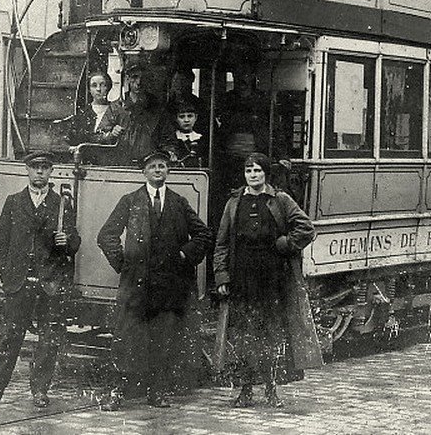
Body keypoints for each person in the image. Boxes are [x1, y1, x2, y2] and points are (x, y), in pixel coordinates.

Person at [96, 150, 214, 409]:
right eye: (152, 166)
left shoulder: (178, 202)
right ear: (144, 172)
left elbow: (204, 235)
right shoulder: (130, 201)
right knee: (127, 340)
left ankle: (157, 392)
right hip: (136, 287)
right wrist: (124, 265)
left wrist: (185, 254)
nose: (158, 170)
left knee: (163, 341)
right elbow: (106, 235)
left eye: (162, 166)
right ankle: (117, 393)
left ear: (168, 171)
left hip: (169, 287)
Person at [212, 153, 323, 409]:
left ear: (265, 174)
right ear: (244, 174)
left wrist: (287, 243)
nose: (253, 175)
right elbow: (221, 244)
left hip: (272, 277)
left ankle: (272, 390)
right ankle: (246, 390)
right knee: (243, 335)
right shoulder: (233, 202)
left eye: (258, 171)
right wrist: (222, 276)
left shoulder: (280, 200)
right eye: (249, 170)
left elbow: (306, 228)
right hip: (242, 277)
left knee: (271, 334)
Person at [0, 150, 80, 410]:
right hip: (19, 282)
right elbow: (2, 242)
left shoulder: (62, 204)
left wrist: (67, 242)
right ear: (27, 171)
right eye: (35, 168)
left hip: (49, 282)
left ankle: (40, 390)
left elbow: (75, 241)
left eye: (45, 168)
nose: (40, 172)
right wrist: (8, 275)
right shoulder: (14, 202)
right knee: (10, 337)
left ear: (51, 172)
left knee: (48, 339)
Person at [98, 61, 162, 166]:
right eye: (135, 77)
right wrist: (111, 134)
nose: (139, 82)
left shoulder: (156, 110)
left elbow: (168, 140)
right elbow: (99, 136)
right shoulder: (116, 107)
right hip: (122, 165)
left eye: (143, 78)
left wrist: (170, 152)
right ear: (127, 79)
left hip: (150, 165)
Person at [66, 71, 116, 163]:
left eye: (102, 85)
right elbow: (73, 139)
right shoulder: (83, 113)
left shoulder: (115, 111)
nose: (98, 89)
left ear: (108, 87)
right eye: (94, 85)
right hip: (86, 161)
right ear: (89, 89)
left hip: (108, 161)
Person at [160, 98, 207, 168]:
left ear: (196, 117)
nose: (186, 120)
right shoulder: (171, 139)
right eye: (182, 117)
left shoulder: (201, 139)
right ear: (176, 119)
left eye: (190, 116)